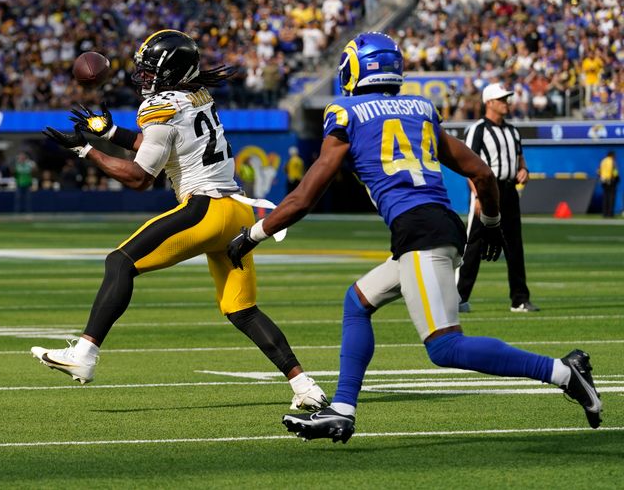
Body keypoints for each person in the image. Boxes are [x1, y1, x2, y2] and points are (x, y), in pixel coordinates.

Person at [226, 32, 602, 442]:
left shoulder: (346, 113)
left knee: (445, 347)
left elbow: (302, 199)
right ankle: (342, 410)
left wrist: (253, 234)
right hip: (435, 224)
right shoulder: (420, 109)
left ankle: (565, 373)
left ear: (355, 68)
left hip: (419, 231)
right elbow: (481, 172)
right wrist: (492, 224)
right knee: (357, 300)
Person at [31, 30, 328, 412]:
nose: (143, 76)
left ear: (169, 70)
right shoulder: (198, 96)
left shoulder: (159, 107)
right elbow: (165, 143)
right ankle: (306, 387)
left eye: (149, 69)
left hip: (204, 210)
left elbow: (141, 177)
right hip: (235, 211)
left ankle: (85, 354)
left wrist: (87, 149)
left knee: (119, 262)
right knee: (242, 310)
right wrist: (112, 133)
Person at [457, 83, 538, 313]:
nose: (506, 103)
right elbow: (468, 166)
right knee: (473, 245)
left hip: (510, 190)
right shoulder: (478, 130)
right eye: (502, 99)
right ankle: (458, 297)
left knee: (515, 245)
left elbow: (520, 161)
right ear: (489, 103)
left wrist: (524, 172)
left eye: (507, 99)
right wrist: (478, 195)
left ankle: (520, 299)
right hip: (487, 191)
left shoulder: (513, 131)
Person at [598, 151, 619, 218]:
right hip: (611, 181)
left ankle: (604, 213)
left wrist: (602, 178)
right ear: (612, 155)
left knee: (605, 197)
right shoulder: (612, 161)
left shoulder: (603, 161)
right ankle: (610, 213)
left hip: (603, 181)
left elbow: (598, 171)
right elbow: (615, 172)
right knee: (611, 197)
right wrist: (617, 179)